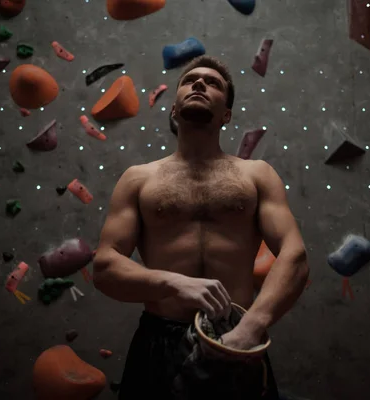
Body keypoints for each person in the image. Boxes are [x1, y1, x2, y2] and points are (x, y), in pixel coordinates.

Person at [93, 55, 310, 399]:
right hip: (159, 341)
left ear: (226, 115)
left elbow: (295, 256)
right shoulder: (138, 179)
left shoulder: (257, 175)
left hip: (239, 337)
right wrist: (172, 283)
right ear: (173, 110)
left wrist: (252, 327)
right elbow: (105, 266)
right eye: (190, 80)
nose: (198, 84)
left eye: (213, 83)